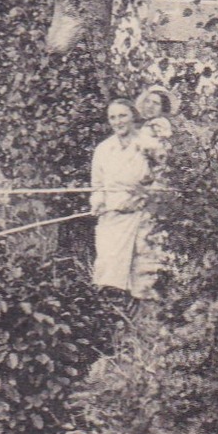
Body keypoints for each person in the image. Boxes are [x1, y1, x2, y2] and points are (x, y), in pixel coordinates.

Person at [89, 97, 163, 299]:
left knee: (143, 268)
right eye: (112, 117)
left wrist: (147, 193)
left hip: (142, 215)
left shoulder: (148, 145)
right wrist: (98, 202)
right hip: (112, 215)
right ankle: (112, 312)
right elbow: (97, 186)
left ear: (133, 116)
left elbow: (163, 178)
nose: (118, 121)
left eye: (123, 115)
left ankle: (143, 312)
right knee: (108, 266)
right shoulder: (103, 149)